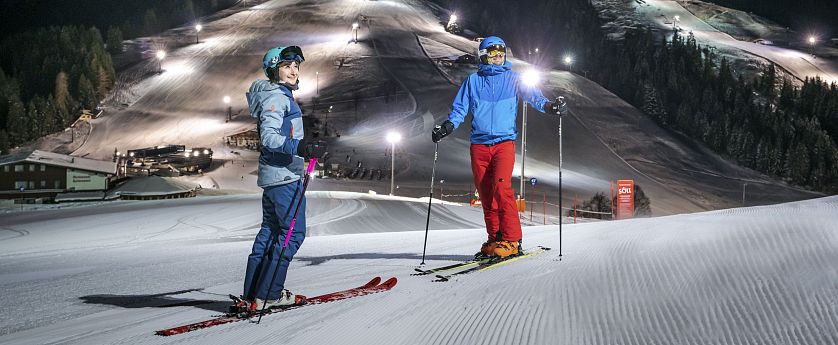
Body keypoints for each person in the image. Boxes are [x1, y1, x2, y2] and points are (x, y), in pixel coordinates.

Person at [431, 36, 567, 259]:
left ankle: (512, 240)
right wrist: (447, 126)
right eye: (493, 54)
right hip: (479, 145)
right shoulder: (473, 81)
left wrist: (551, 106)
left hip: (504, 143)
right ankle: (495, 238)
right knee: (486, 194)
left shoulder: (513, 79)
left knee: (502, 188)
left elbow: (534, 96)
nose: (498, 57)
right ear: (484, 56)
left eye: (501, 54)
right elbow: (459, 110)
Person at [239, 45, 308, 311]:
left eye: (296, 66)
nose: (293, 71)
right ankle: (269, 294)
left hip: (274, 177)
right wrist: (300, 147)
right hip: (284, 177)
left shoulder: (276, 95)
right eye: (286, 66)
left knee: (270, 233)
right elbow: (269, 138)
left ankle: (253, 295)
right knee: (292, 234)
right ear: (273, 70)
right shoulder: (278, 97)